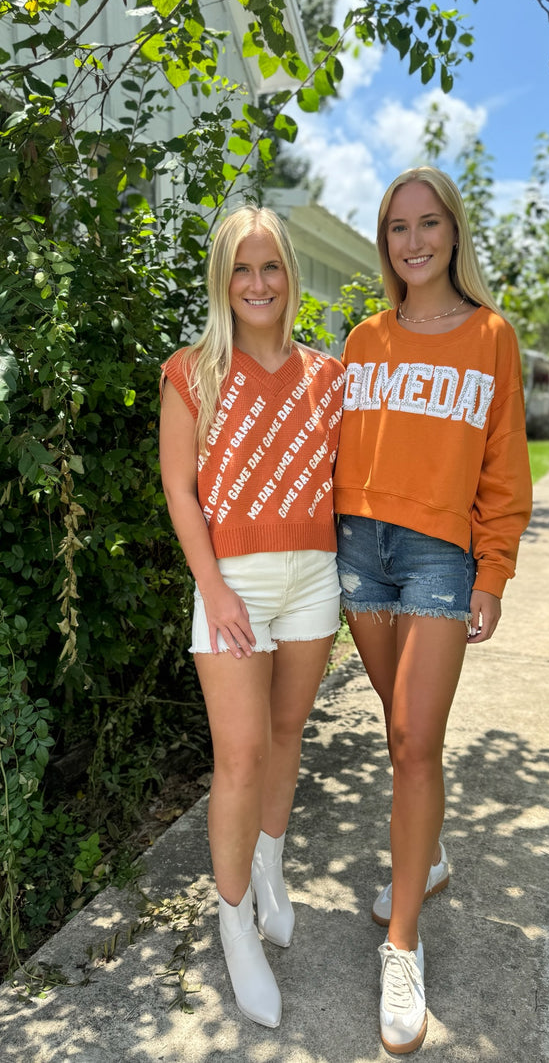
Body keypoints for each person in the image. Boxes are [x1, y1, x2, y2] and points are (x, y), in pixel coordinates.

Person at [332, 166, 533, 1054]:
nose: (412, 242)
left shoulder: (492, 336)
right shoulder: (363, 338)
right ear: (386, 242)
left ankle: (402, 944)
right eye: (396, 229)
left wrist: (493, 568)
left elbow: (504, 464)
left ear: (453, 231)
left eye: (427, 224)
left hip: (437, 558)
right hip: (356, 551)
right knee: (398, 722)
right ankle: (433, 855)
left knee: (416, 738)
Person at [158, 204, 345, 1029]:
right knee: (237, 758)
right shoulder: (192, 371)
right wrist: (215, 587)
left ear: (290, 277)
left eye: (271, 267)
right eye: (243, 268)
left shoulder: (328, 375)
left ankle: (271, 865)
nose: (258, 283)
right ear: (222, 280)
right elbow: (179, 490)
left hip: (315, 580)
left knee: (287, 731)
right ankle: (234, 923)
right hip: (231, 584)